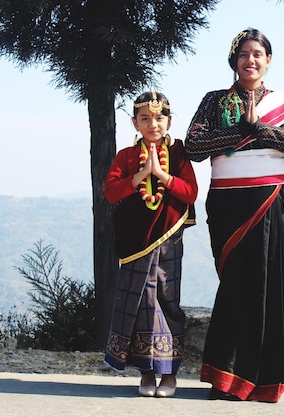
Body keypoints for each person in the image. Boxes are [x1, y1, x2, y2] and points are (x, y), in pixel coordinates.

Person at [184, 28, 284, 403]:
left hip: (268, 202)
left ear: (268, 60)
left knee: (264, 285)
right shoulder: (214, 101)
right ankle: (224, 378)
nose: (250, 60)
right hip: (226, 204)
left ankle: (258, 381)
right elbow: (194, 144)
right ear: (234, 60)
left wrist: (259, 129)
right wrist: (238, 133)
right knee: (234, 284)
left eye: (258, 54)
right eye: (243, 54)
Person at [104, 91, 198, 398]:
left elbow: (190, 192)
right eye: (145, 118)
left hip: (169, 238)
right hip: (135, 241)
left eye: (159, 118)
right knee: (141, 302)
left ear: (169, 121)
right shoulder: (126, 157)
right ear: (135, 122)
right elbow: (112, 192)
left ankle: (169, 374)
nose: (152, 124)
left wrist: (161, 175)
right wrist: (141, 175)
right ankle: (146, 372)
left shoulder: (179, 153)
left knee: (168, 299)